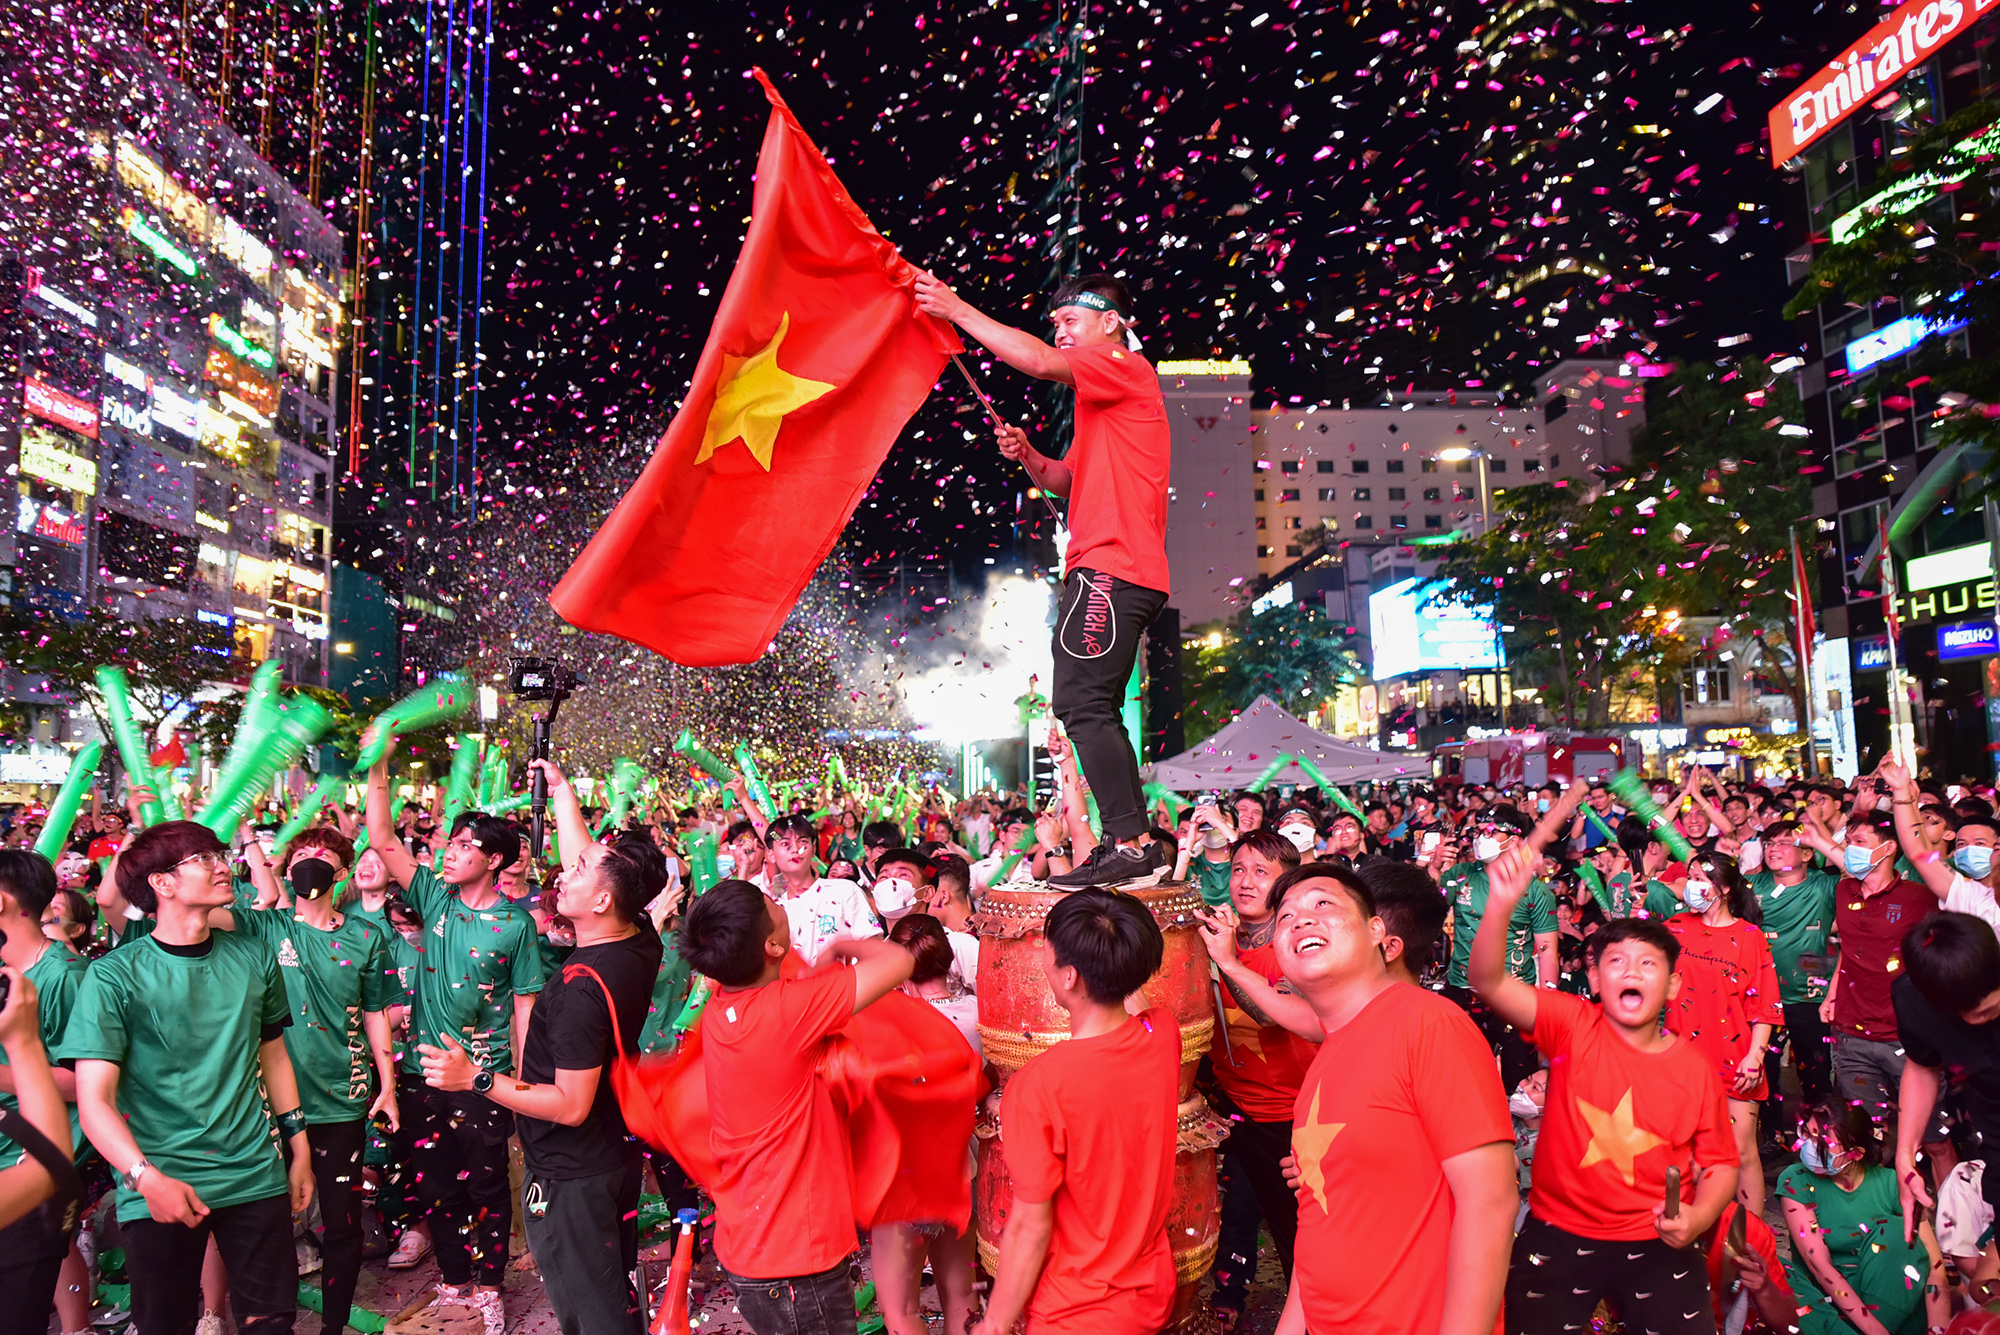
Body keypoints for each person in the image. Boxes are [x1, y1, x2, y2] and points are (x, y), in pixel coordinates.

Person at [915, 270, 1172, 890]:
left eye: (1069, 319)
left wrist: (958, 310)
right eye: (1053, 321)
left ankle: (1133, 843)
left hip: (1112, 568)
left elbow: (1034, 362)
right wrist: (1029, 453)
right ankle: (1129, 840)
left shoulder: (1122, 366)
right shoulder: (1102, 402)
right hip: (1105, 568)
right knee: (1090, 706)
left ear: (1110, 322)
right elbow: (1064, 481)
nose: (1057, 330)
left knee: (1083, 705)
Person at [1470, 794, 1739, 1335]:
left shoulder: (1693, 1067)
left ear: (1673, 986)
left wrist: (1696, 1220)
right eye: (1615, 961)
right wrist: (1500, 904)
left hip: (1659, 1242)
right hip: (1557, 1235)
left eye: (1647, 963)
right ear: (1595, 979)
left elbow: (1722, 1164)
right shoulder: (1572, 1023)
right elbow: (1489, 981)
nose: (1629, 971)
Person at [421, 760, 666, 1335]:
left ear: (603, 901)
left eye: (576, 873)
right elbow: (599, 865)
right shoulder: (637, 939)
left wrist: (476, 1079)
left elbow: (570, 1103)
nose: (563, 873)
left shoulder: (582, 987)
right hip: (611, 1152)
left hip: (572, 1170)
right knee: (613, 1286)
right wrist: (562, 796)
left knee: (593, 1309)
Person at [62, 821, 316, 1335]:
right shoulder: (113, 975)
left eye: (220, 853)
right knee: (166, 1324)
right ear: (162, 883)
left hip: (254, 1175)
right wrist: (144, 1178)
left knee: (272, 1324)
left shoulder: (253, 956)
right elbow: (94, 1103)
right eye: (203, 858)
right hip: (158, 1185)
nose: (223, 865)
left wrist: (300, 1146)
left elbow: (274, 1056)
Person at [1271, 862, 1515, 1335]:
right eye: (1284, 916)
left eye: (1323, 904)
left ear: (1377, 931)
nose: (1300, 919)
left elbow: (1490, 1203)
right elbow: (1324, 1215)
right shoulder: (1329, 1051)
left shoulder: (1427, 1024)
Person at [364, 732, 545, 1333]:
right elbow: (384, 839)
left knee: (488, 1186)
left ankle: (490, 1286)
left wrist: (521, 1084)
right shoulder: (434, 899)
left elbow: (524, 1008)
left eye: (467, 846)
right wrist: (381, 767)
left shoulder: (516, 926)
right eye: (452, 841)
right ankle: (453, 1281)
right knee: (435, 1186)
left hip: (484, 1080)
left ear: (495, 860)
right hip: (420, 1075)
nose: (451, 851)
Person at [680, 879, 913, 1335]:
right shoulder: (789, 1009)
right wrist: (842, 945)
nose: (782, 903)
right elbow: (900, 960)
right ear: (772, 945)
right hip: (796, 1262)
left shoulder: (719, 1009)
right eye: (774, 904)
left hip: (752, 1244)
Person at [219, 826, 398, 1335]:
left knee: (341, 1226)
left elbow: (376, 1012)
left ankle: (332, 1328)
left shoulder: (367, 936)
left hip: (342, 1099)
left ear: (342, 872)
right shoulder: (263, 927)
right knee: (265, 1225)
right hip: (268, 1104)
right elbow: (202, 914)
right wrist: (254, 852)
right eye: (300, 854)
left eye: (322, 855)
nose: (310, 861)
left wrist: (386, 1086)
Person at [975, 889, 1178, 1335]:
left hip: (1076, 1312)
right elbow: (1134, 995)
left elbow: (1030, 1226)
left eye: (1046, 951)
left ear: (1068, 976)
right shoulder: (1162, 1036)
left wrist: (993, 1325)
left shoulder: (1037, 1086)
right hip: (1149, 1295)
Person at [1192, 828, 1310, 1331]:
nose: (1244, 881)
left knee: (1294, 1226)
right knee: (1233, 1211)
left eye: (1261, 872)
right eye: (1238, 869)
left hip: (1289, 1113)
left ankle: (1313, 1315)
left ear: (1286, 884)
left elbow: (1270, 1016)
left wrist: (1225, 961)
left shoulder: (1296, 944)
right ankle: (1230, 1297)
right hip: (1231, 1106)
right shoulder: (1221, 934)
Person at [876, 915, 980, 1335]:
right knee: (963, 1296)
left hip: (904, 1176)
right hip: (963, 1164)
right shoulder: (978, 1012)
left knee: (901, 1310)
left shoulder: (885, 1020)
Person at [1663, 854, 1782, 1218]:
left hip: (1736, 1056)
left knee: (1742, 1151)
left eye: (1700, 877)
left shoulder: (1750, 936)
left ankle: (1752, 1236)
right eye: (1691, 876)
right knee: (1683, 1148)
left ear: (1725, 888)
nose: (1692, 883)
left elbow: (1765, 1006)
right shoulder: (1675, 927)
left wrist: (1755, 1057)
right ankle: (1693, 1226)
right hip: (1679, 1057)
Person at [0, 850, 86, 1335]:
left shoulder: (64, 976)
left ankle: (78, 1327)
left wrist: (10, 1071)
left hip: (39, 1154)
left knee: (51, 1244)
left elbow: (83, 1079)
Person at [1777, 1098, 1946, 1335]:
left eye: (1822, 1141)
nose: (1808, 1145)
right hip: (1828, 1302)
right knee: (1773, 1270)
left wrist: (1939, 1329)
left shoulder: (1892, 1183)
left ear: (1855, 1154)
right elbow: (1821, 1268)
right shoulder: (1796, 1179)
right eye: (1807, 1133)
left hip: (1889, 1296)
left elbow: (1936, 1266)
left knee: (1898, 1231)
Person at [1824, 813, 1939, 1129]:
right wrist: (1832, 995)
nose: (1850, 849)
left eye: (1860, 843)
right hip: (1850, 1031)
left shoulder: (1919, 897)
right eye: (1848, 843)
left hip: (1904, 1033)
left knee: (1930, 1138)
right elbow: (1847, 949)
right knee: (1866, 1129)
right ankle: (1882, 1178)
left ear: (1888, 849)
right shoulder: (1844, 891)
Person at [1892, 913, 2000, 1250]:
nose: (1978, 1020)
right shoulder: (1913, 999)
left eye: (1990, 1008)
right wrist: (1905, 1153)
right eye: (1969, 1015)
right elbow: (1923, 1066)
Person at [1438, 804, 1558, 1089]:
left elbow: (1548, 951)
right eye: (1478, 831)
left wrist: (1549, 1008)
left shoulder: (1535, 890)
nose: (1481, 837)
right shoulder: (1460, 875)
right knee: (1456, 1081)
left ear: (1515, 839)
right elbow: (1426, 909)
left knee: (1516, 1084)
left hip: (1513, 998)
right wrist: (1429, 867)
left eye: (1490, 831)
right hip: (1462, 993)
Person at [1749, 819, 1839, 1136]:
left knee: (1815, 1071)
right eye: (1769, 843)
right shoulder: (1752, 885)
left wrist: (1822, 842)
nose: (1774, 849)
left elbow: (1864, 877)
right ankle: (1772, 1134)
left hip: (1810, 996)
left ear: (1806, 854)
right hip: (1763, 996)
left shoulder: (1824, 885)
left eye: (1785, 842)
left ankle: (1822, 1136)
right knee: (1764, 1070)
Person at [765, 813, 884, 966]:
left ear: (813, 850)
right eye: (785, 843)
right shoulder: (770, 906)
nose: (795, 849)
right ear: (770, 855)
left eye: (802, 842)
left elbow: (874, 948)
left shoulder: (844, 890)